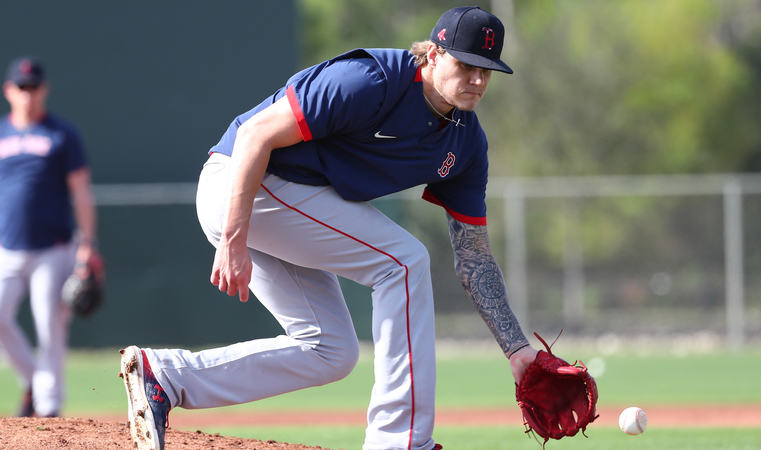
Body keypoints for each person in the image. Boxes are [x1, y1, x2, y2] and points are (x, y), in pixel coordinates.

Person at [121, 6, 539, 450]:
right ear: (433, 54)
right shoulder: (370, 81)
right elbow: (254, 137)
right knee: (404, 261)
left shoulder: (466, 142)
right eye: (467, 65)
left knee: (331, 351)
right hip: (242, 182)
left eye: (487, 71)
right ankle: (399, 442)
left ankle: (164, 377)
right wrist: (234, 237)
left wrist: (520, 353)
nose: (477, 79)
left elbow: (473, 255)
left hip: (286, 203)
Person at [0, 56, 102, 417]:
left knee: (50, 328)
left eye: (33, 87)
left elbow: (81, 193)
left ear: (43, 90)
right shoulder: (1, 133)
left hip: (53, 248)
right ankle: (34, 381)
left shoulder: (61, 134)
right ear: (8, 90)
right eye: (21, 87)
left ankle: (49, 408)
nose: (27, 94)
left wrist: (87, 246)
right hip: (7, 248)